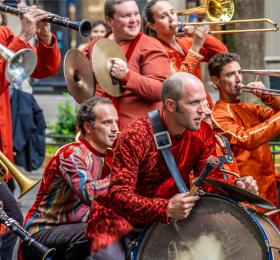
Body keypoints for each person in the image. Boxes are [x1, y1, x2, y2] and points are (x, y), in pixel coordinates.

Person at [85, 72, 258, 259]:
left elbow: (210, 183)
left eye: (204, 101)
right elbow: (118, 197)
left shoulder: (203, 132)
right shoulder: (135, 136)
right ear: (171, 105)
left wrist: (238, 187)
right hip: (116, 223)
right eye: (194, 103)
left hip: (165, 220)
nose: (204, 110)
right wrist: (165, 208)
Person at [20, 97, 119, 260]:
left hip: (75, 232)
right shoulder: (70, 155)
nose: (115, 128)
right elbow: (90, 194)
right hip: (41, 237)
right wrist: (125, 171)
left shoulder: (109, 159)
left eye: (116, 122)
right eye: (107, 123)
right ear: (88, 127)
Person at [0, 5, 60, 260]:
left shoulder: (3, 34)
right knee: (10, 219)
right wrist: (23, 36)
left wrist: (44, 35)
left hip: (4, 149)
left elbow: (42, 69)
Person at [209, 52, 280, 227]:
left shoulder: (251, 108)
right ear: (216, 81)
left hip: (272, 185)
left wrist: (268, 96)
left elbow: (275, 117)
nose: (238, 78)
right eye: (230, 74)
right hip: (250, 193)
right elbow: (247, 139)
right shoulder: (217, 115)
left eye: (239, 72)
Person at [82, 0, 170, 130]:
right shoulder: (93, 47)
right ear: (109, 21)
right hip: (98, 135)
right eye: (126, 16)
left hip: (138, 136)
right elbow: (79, 84)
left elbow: (161, 90)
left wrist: (127, 76)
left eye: (136, 14)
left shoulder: (150, 45)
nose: (134, 20)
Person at [142, 0, 228, 108]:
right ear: (152, 25)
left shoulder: (186, 42)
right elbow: (179, 84)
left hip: (205, 105)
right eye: (163, 16)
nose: (171, 18)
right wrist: (196, 47)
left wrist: (202, 37)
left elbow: (222, 54)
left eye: (172, 12)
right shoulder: (155, 51)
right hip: (184, 112)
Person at [201, 99, 240, 180]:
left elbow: (235, 180)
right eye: (201, 107)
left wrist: (242, 183)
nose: (209, 112)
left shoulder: (221, 143)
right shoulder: (183, 146)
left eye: (208, 106)